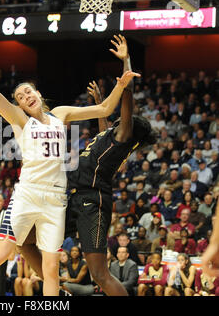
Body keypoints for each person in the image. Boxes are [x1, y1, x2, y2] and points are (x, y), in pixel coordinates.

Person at [0, 31, 139, 296]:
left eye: (28, 91)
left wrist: (122, 80)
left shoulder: (60, 114)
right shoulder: (20, 120)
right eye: (20, 97)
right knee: (2, 252)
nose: (26, 96)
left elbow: (106, 109)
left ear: (38, 93)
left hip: (55, 199)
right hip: (27, 193)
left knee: (50, 270)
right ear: (20, 106)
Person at [65, 35, 153, 296]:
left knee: (100, 275)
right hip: (76, 196)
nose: (120, 120)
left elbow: (128, 101)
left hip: (93, 202)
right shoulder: (110, 137)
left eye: (126, 120)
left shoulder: (125, 136)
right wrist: (99, 101)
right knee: (44, 239)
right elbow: (104, 126)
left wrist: (126, 62)